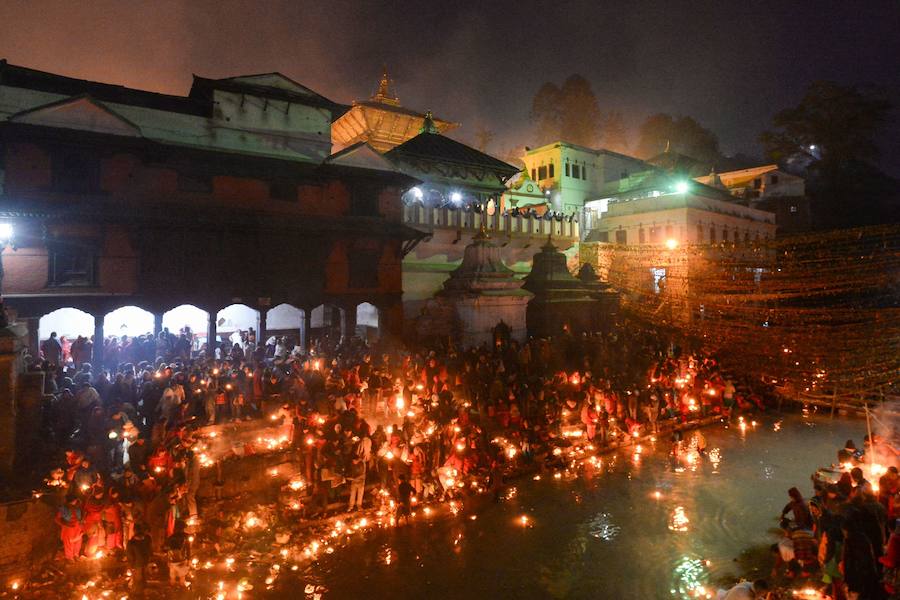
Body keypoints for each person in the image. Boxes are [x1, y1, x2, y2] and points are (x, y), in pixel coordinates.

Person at [55, 496, 84, 561]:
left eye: (75, 500)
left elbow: (80, 517)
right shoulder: (64, 509)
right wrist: (64, 524)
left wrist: (81, 523)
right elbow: (57, 519)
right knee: (69, 542)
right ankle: (69, 557)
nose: (75, 502)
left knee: (78, 541)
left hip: (77, 527)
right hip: (68, 528)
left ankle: (76, 555)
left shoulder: (77, 507)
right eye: (74, 500)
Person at [127, 523, 152, 593]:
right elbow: (149, 550)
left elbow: (130, 555)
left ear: (134, 531)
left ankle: (138, 593)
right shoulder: (147, 539)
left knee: (138, 580)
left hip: (137, 564)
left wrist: (131, 565)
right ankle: (143, 591)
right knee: (143, 577)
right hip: (145, 562)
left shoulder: (132, 543)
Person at [165, 519, 190, 587]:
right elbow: (188, 549)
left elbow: (167, 548)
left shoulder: (171, 537)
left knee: (172, 576)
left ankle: (173, 588)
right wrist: (188, 558)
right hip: (182, 559)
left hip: (172, 560)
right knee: (182, 576)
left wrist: (168, 559)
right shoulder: (185, 537)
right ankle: (181, 589)